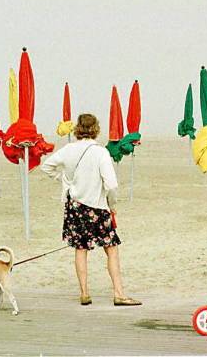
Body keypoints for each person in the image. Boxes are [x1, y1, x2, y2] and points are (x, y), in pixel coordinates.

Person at [41, 113, 141, 307]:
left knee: (81, 249)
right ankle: (119, 293)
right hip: (97, 206)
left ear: (78, 128)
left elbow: (47, 166)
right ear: (96, 129)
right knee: (111, 249)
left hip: (75, 206)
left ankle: (85, 293)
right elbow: (111, 184)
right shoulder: (100, 152)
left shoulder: (68, 149)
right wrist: (113, 206)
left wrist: (65, 181)